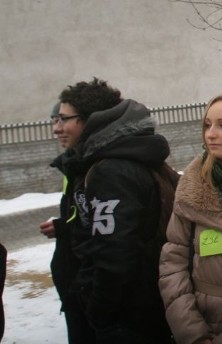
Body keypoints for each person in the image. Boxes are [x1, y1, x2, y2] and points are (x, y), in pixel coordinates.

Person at [49, 78, 175, 343]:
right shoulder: (110, 160)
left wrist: (98, 311)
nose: (56, 128)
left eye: (64, 119)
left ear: (88, 120)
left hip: (126, 317)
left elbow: (115, 254)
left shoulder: (111, 170)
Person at [159, 91, 222, 344]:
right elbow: (172, 264)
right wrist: (191, 332)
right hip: (199, 319)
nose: (211, 134)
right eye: (207, 125)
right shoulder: (190, 188)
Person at [40, 101, 96, 343]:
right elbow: (79, 214)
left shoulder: (97, 167)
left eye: (63, 119)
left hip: (88, 289)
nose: (57, 128)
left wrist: (64, 227)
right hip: (76, 288)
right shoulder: (73, 164)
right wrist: (63, 225)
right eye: (54, 120)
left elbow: (100, 230)